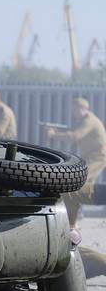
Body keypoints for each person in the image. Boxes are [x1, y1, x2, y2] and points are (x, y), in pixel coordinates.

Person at [46, 97, 106, 227]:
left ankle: (75, 218)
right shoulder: (84, 120)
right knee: (79, 185)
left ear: (82, 108)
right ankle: (75, 216)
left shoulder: (89, 120)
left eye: (75, 109)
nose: (73, 113)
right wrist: (59, 132)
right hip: (91, 157)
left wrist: (54, 135)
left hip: (97, 157)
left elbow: (75, 136)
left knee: (79, 184)